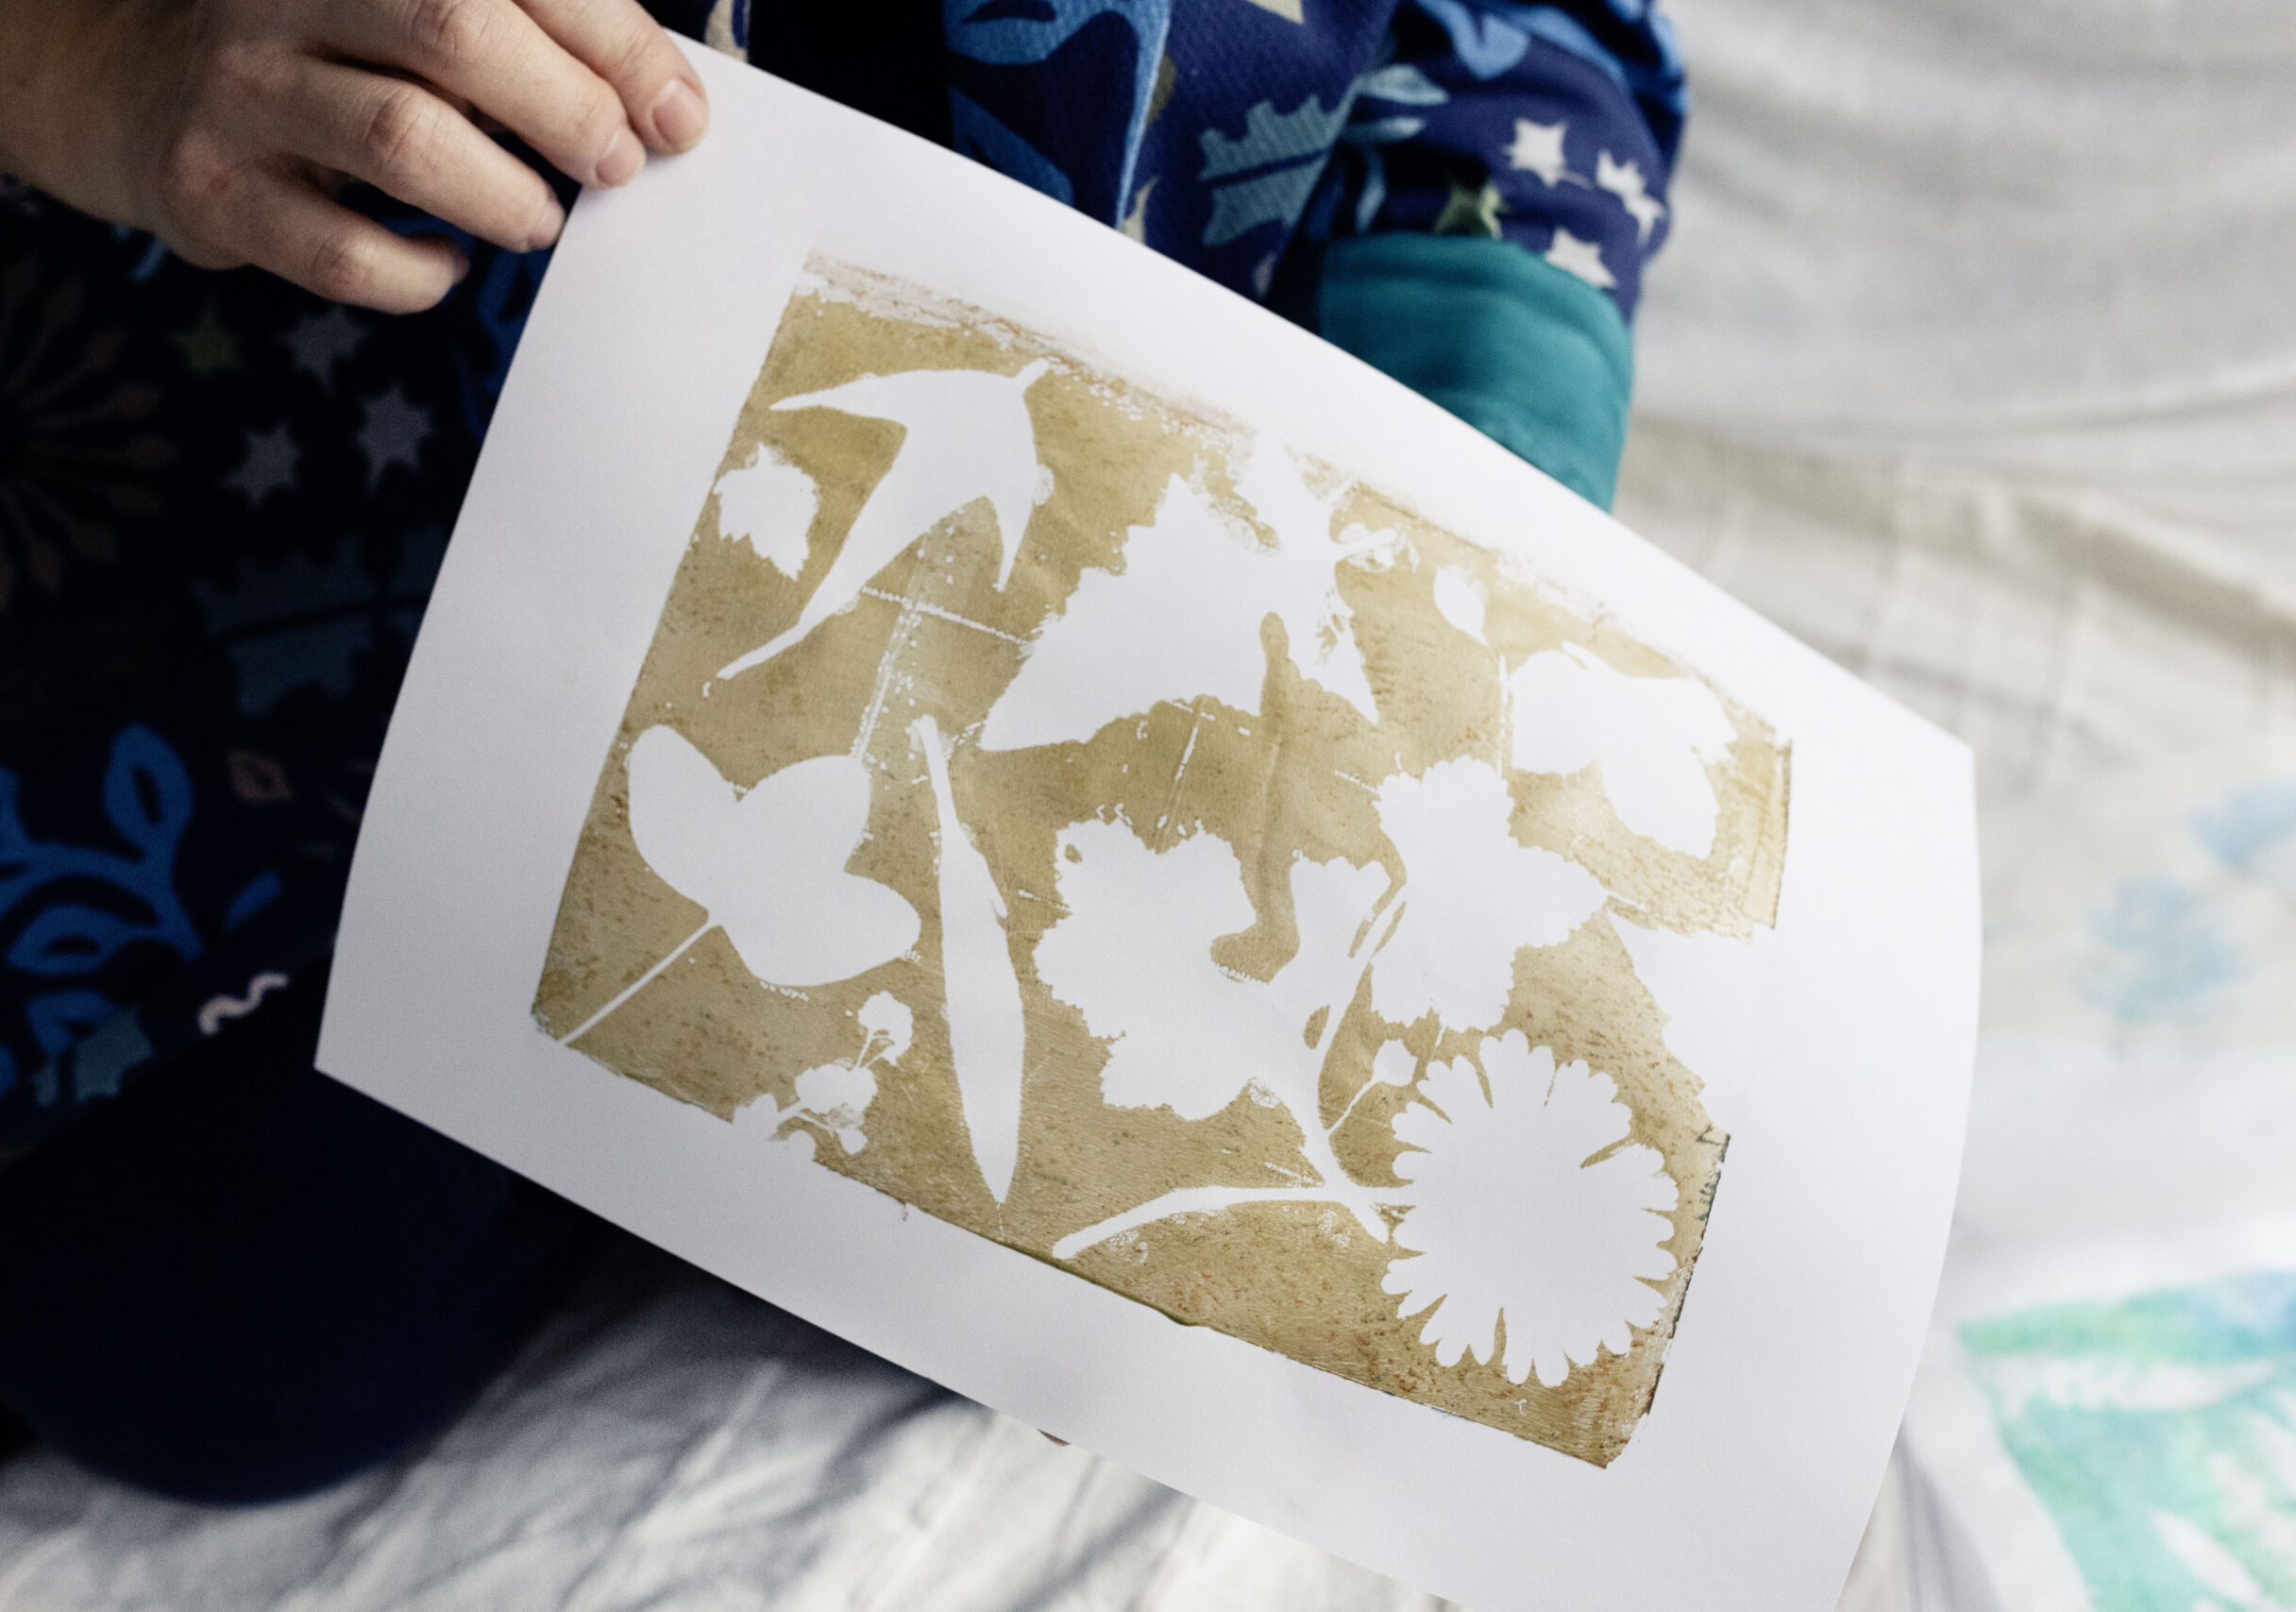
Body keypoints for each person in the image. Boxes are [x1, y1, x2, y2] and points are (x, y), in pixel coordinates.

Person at [0, 0, 1683, 1501]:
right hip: (265, 537)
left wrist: (1478, 464)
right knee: (206, 1326)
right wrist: (89, 60)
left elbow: (1526, 53)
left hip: (1125, 595)